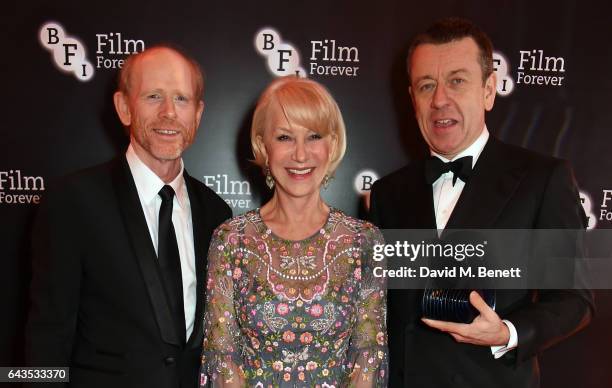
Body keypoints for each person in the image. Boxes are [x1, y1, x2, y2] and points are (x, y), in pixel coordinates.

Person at [368, 18, 594, 388]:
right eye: (427, 85)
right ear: (412, 99)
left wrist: (508, 332)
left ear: (489, 90)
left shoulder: (542, 179)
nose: (440, 99)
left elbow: (575, 298)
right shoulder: (388, 192)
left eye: (457, 81)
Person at [25, 45, 232, 388]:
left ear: (197, 114)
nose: (169, 113)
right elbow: (46, 335)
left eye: (181, 99)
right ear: (124, 107)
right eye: (153, 96)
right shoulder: (74, 201)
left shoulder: (216, 213)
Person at [199, 76, 388, 387]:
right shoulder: (231, 240)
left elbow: (369, 356)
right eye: (285, 137)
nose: (301, 155)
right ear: (263, 146)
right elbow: (222, 358)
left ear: (333, 145)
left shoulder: (363, 241)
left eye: (314, 136)